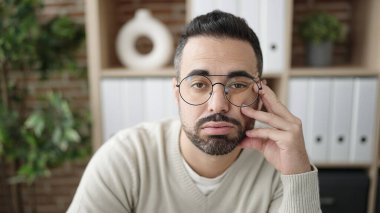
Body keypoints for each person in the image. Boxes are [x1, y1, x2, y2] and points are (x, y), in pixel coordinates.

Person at [68, 10, 321, 213]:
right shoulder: (125, 158)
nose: (218, 104)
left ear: (261, 93)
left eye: (238, 85)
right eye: (200, 84)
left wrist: (298, 174)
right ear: (177, 92)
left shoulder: (283, 164)